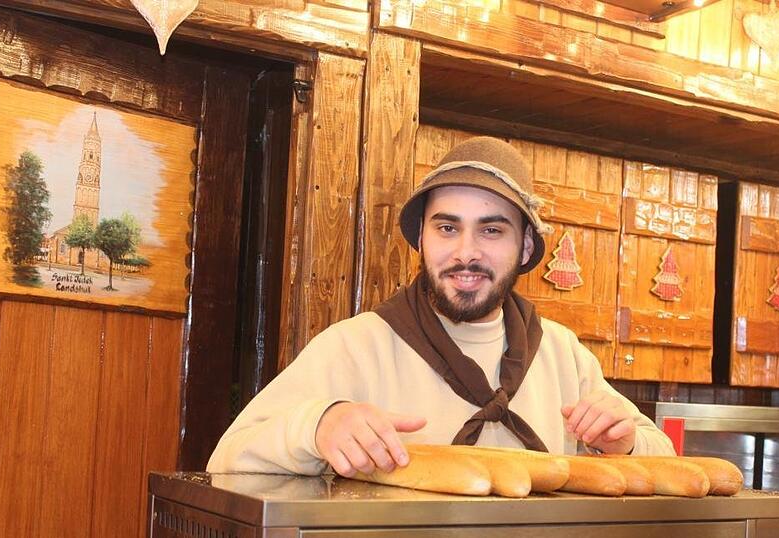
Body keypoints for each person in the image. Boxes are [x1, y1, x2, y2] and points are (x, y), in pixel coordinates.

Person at [207, 136, 675, 477]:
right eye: (447, 228)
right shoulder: (356, 346)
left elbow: (667, 462)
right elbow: (227, 459)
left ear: (526, 244)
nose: (465, 252)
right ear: (422, 236)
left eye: (491, 230)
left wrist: (627, 443)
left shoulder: (564, 355)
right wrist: (318, 424)